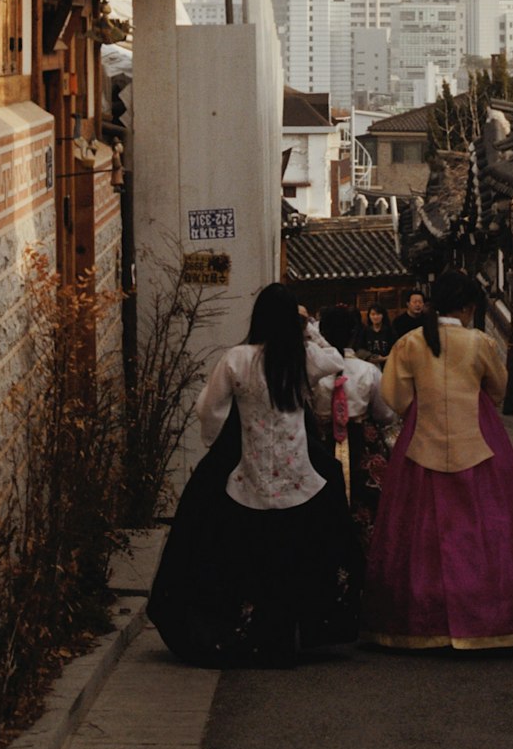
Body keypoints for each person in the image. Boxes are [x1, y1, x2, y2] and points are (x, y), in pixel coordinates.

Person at [147, 284, 360, 667]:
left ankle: (250, 631)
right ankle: (296, 632)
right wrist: (310, 328)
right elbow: (337, 362)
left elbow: (208, 409)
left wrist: (216, 445)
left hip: (248, 472)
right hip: (299, 474)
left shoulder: (237, 358)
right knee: (298, 552)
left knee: (243, 554)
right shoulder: (303, 357)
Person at [361, 269, 513, 650]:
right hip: (478, 438)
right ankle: (488, 615)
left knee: (416, 528)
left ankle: (420, 618)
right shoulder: (480, 343)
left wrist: (420, 407)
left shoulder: (410, 343)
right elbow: (498, 388)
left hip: (421, 439)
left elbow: (393, 395)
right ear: (468, 306)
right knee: (489, 522)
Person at [313, 304, 396, 551]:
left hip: (320, 443)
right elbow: (385, 414)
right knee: (369, 504)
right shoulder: (368, 370)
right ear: (354, 333)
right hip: (363, 444)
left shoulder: (312, 371)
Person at [356, 303, 394, 367]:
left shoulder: (390, 331)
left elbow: (396, 350)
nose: (375, 317)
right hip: (369, 366)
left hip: (387, 365)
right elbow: (359, 348)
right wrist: (368, 357)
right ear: (369, 316)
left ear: (383, 315)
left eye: (378, 314)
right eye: (373, 314)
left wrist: (383, 359)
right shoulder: (365, 331)